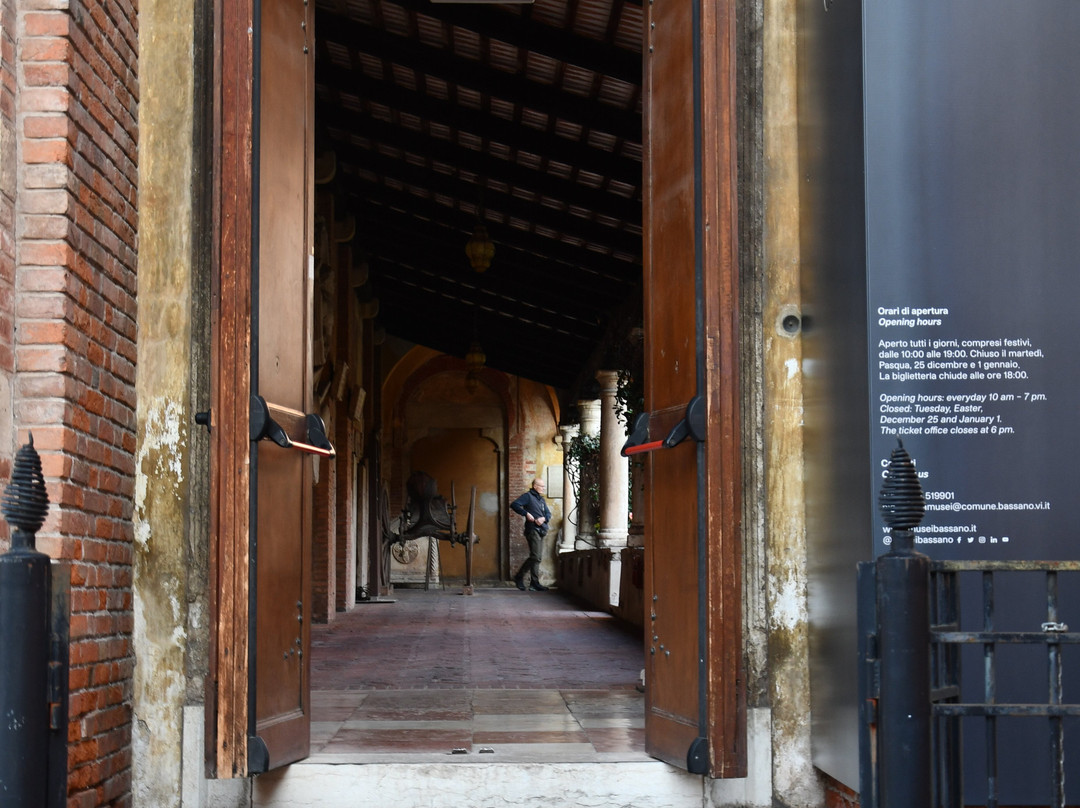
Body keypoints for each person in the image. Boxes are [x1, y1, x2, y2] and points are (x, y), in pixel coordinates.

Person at [510, 477, 552, 591]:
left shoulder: (541, 500)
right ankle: (519, 576)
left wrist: (544, 518)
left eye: (544, 486)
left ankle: (534, 583)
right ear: (535, 486)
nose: (543, 488)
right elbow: (514, 504)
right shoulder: (527, 496)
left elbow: (548, 514)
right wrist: (526, 513)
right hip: (532, 530)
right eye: (541, 486)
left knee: (537, 558)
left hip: (542, 529)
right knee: (536, 556)